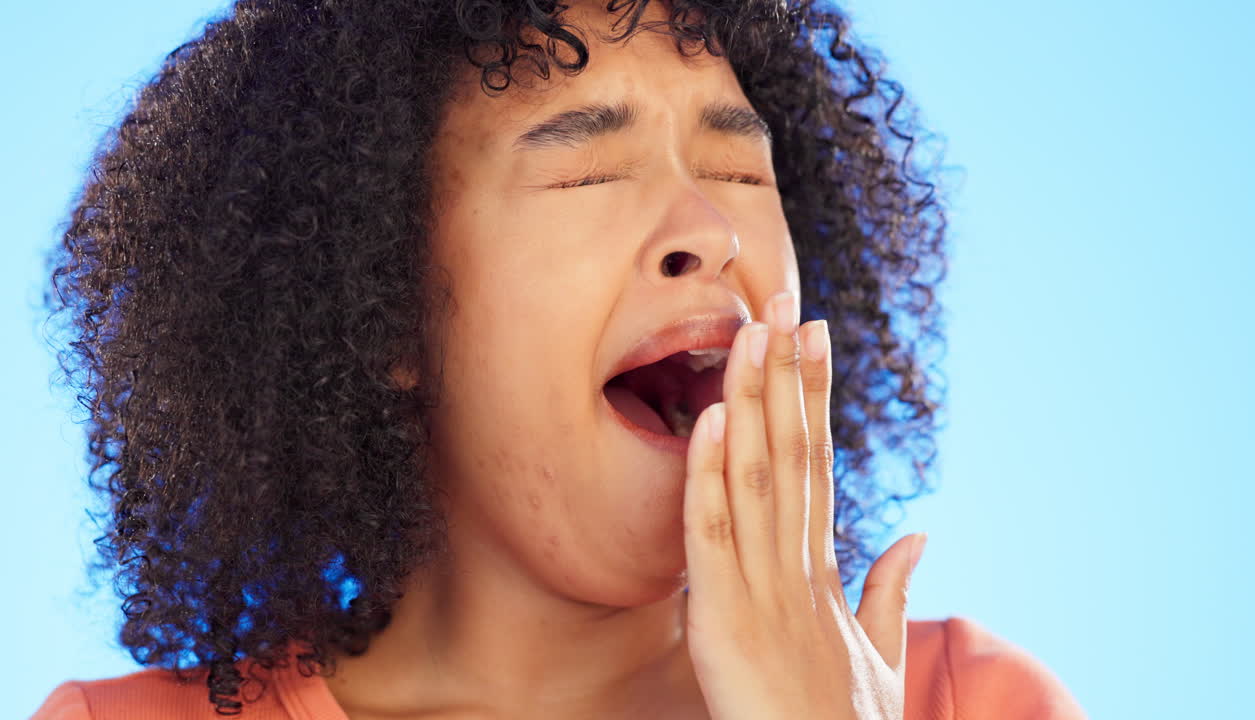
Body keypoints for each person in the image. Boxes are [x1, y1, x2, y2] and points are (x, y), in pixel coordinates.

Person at [32, 0, 1086, 718]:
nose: (710, 228)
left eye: (739, 167)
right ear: (383, 308)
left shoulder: (964, 699)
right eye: (587, 173)